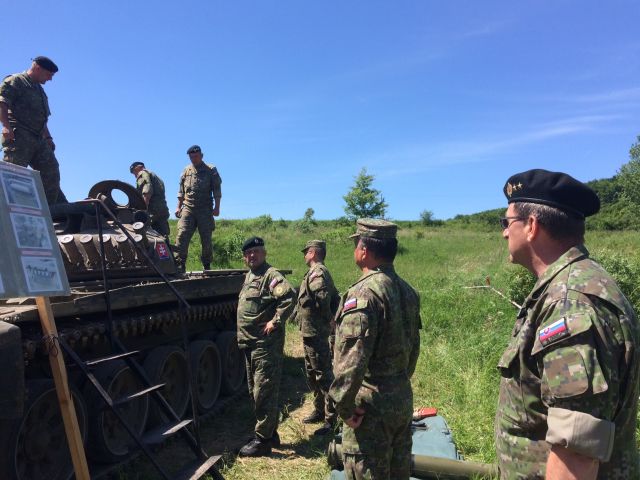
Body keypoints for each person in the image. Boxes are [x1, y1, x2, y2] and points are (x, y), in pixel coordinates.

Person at [495, 169, 640, 480]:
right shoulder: (576, 285)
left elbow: (576, 450)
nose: (504, 233)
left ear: (531, 225)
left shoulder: (569, 301)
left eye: (506, 223)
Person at [329, 219, 422, 480]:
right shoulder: (408, 291)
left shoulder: (364, 293)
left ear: (364, 250)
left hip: (370, 410)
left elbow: (352, 359)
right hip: (401, 397)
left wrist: (344, 407)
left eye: (356, 244)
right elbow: (413, 349)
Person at [236, 236, 295, 457]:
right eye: (248, 253)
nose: (252, 255)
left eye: (256, 251)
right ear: (245, 257)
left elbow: (289, 296)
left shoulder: (270, 275)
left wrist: (275, 321)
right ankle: (271, 432)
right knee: (256, 391)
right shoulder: (250, 275)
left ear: (264, 253)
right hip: (250, 343)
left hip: (264, 345)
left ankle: (262, 441)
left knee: (264, 391)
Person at [0, 56, 67, 205]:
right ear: (38, 68)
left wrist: (48, 138)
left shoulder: (40, 91)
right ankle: (8, 211)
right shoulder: (16, 81)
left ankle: (49, 211)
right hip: (19, 136)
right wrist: (6, 126)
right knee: (13, 175)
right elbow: (2, 103)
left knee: (51, 172)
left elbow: (42, 119)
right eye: (49, 74)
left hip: (38, 138)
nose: (50, 79)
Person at [294, 239, 339, 435]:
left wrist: (329, 320)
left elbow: (322, 298)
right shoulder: (314, 272)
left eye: (306, 252)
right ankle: (320, 410)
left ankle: (332, 418)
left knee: (323, 374)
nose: (305, 255)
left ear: (313, 253)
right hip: (310, 332)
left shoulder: (317, 272)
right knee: (313, 373)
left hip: (317, 332)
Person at [174, 145, 222, 270]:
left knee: (206, 239)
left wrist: (217, 208)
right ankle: (179, 264)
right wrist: (178, 207)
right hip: (188, 208)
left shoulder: (211, 170)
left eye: (196, 156)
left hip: (205, 209)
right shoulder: (186, 170)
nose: (193, 159)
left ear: (201, 156)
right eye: (191, 157)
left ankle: (207, 265)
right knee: (182, 235)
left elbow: (217, 189)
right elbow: (181, 192)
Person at [129, 161, 170, 239]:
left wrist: (143, 211)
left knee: (141, 232)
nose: (135, 175)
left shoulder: (142, 173)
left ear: (138, 167)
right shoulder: (156, 176)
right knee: (163, 236)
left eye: (134, 172)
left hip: (152, 211)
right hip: (162, 209)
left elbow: (147, 192)